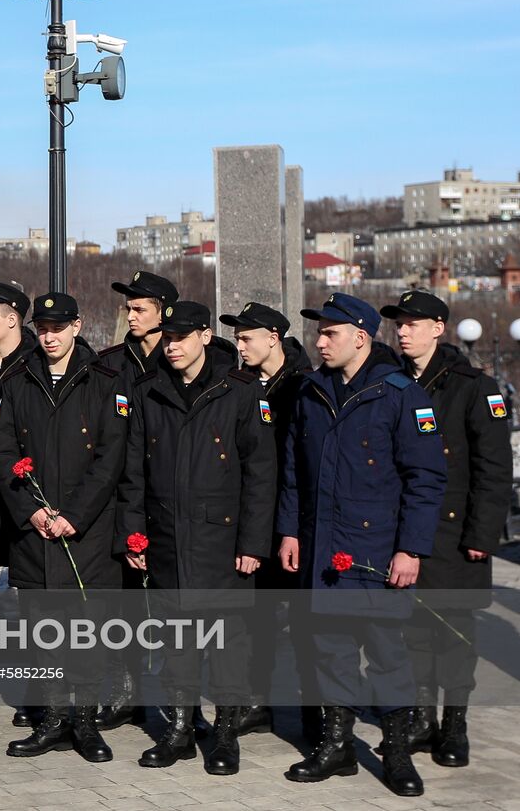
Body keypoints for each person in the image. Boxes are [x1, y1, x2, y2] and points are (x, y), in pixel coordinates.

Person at [278, 293, 447, 796]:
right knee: (328, 650)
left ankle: (396, 754)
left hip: (377, 550)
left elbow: (426, 479)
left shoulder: (400, 393)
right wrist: (289, 530)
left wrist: (410, 549)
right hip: (322, 545)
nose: (319, 341)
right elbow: (294, 471)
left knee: (386, 652)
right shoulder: (311, 391)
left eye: (330, 332)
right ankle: (337, 748)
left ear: (360, 336)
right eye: (318, 332)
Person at [117, 300, 276, 775]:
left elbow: (261, 475)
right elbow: (132, 473)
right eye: (166, 339)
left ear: (205, 337)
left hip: (222, 543)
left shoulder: (241, 391)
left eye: (181, 338)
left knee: (227, 647)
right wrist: (134, 534)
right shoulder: (149, 391)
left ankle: (225, 736)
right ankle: (181, 730)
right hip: (166, 539)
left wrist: (253, 545)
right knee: (176, 644)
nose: (172, 347)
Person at [382, 290, 512, 768]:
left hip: (457, 536)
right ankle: (419, 718)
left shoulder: (475, 387)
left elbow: (494, 468)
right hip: (405, 533)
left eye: (413, 323)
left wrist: (482, 535)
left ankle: (454, 723)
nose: (403, 330)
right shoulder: (393, 381)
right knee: (411, 630)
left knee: (454, 634)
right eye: (399, 323)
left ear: (438, 327)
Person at [0, 293, 125, 762]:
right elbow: (3, 452)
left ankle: (85, 725)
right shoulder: (18, 381)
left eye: (58, 327)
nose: (48, 336)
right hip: (35, 533)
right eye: (42, 327)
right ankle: (50, 721)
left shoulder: (105, 381)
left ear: (77, 326)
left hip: (83, 536)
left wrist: (73, 514)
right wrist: (31, 511)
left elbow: (111, 459)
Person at [219, 301, 315, 740]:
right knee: (252, 617)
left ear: (273, 338)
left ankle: (312, 713)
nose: (239, 346)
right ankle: (254, 701)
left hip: (294, 519)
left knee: (303, 621)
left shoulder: (303, 385)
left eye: (246, 338)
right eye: (236, 339)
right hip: (251, 519)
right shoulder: (239, 383)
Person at [97, 269, 178, 730]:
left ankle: (174, 702)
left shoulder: (183, 359)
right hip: (122, 502)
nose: (130, 314)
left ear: (164, 313)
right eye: (128, 307)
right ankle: (125, 690)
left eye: (139, 308)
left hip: (168, 500)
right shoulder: (112, 364)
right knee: (123, 605)